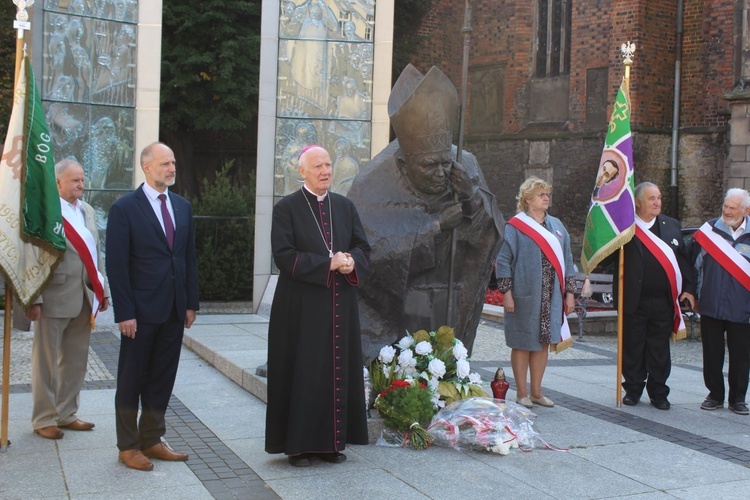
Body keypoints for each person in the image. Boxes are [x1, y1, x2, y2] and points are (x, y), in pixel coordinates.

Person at [347, 64, 504, 361]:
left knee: (444, 368)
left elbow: (491, 238)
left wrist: (472, 200)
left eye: (444, 163)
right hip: (398, 307)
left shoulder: (464, 164)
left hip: (451, 295)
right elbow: (369, 258)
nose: (441, 173)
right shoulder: (372, 183)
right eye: (429, 166)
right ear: (405, 164)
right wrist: (434, 228)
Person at [265, 145, 371, 467]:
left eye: (328, 165)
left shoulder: (344, 206)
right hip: (300, 309)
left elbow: (362, 246)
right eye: (318, 166)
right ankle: (298, 446)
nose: (325, 171)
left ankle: (331, 445)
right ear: (302, 171)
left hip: (340, 307)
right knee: (304, 372)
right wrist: (328, 263)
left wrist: (353, 262)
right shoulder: (287, 208)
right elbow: (283, 255)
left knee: (335, 372)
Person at [106, 142, 199, 471]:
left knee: (162, 378)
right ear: (147, 167)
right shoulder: (125, 208)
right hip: (140, 313)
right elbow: (116, 265)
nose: (172, 168)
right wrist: (124, 312)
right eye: (165, 163)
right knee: (132, 380)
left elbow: (188, 258)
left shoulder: (182, 206)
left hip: (174, 310)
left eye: (173, 162)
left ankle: (152, 438)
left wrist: (191, 303)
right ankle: (128, 445)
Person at [26, 159, 110, 440]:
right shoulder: (46, 210)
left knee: (75, 360)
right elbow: (32, 254)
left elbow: (96, 252)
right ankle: (44, 418)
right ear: (58, 182)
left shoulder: (86, 210)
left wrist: (103, 290)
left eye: (82, 179)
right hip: (53, 295)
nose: (81, 185)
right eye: (75, 180)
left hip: (85, 295)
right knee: (46, 362)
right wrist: (33, 297)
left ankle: (66, 413)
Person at [613, 182, 695, 410]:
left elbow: (683, 261)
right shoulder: (624, 228)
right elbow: (608, 260)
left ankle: (659, 392)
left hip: (663, 301)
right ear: (638, 203)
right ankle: (633, 388)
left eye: (658, 197)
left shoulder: (671, 226)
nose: (657, 202)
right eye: (651, 198)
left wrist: (688, 288)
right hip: (633, 299)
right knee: (633, 346)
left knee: (659, 349)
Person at [496, 176, 576, 409]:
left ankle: (536, 392)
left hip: (551, 297)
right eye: (541, 194)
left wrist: (570, 294)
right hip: (524, 296)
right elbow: (503, 262)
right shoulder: (515, 227)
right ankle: (521, 393)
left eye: (547, 193)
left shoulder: (558, 226)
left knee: (543, 343)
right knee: (522, 343)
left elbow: (568, 261)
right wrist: (507, 293)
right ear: (528, 200)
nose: (546, 197)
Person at [692, 188, 750, 415]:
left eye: (732, 208)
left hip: (743, 308)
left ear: (746, 211)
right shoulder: (709, 232)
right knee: (712, 353)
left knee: (741, 356)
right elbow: (693, 266)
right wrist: (694, 294)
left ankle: (738, 399)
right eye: (725, 206)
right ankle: (714, 395)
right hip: (711, 304)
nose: (727, 211)